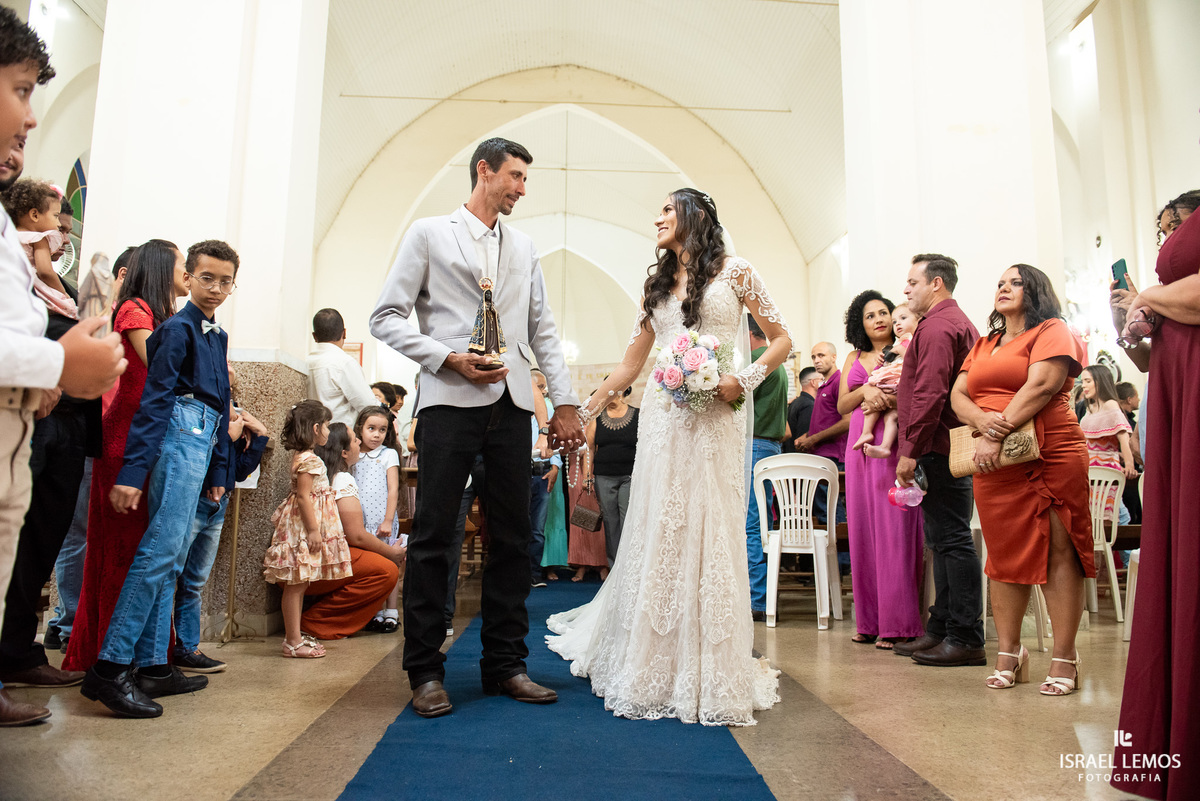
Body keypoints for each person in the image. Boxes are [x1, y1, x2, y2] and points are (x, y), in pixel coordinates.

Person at [547, 188, 789, 726]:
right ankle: (655, 654)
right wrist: (579, 413)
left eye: (666, 209)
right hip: (663, 417)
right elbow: (629, 367)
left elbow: (781, 340)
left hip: (716, 416)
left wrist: (741, 379)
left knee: (711, 525)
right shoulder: (655, 287)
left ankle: (710, 661)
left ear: (695, 216)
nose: (656, 217)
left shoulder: (738, 271)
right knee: (663, 523)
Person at [370, 137, 582, 718]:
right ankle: (425, 671)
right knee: (437, 534)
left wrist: (562, 404)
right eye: (514, 176)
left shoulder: (524, 246)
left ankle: (506, 664)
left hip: (512, 407)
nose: (520, 188)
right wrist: (445, 357)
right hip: (447, 402)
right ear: (483, 171)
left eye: (524, 180)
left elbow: (542, 330)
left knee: (515, 539)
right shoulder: (429, 234)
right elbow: (384, 318)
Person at [0, 9, 127, 725]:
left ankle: (13, 648)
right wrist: (57, 357)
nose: (31, 119)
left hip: (41, 430)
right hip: (28, 413)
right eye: (21, 92)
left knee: (34, 543)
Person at [80, 240, 240, 719]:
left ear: (235, 285)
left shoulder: (217, 336)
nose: (214, 288)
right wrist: (133, 471)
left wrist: (219, 469)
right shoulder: (175, 329)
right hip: (176, 437)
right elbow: (156, 400)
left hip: (203, 440)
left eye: (225, 281)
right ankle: (109, 670)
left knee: (172, 560)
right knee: (159, 553)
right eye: (206, 278)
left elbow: (220, 404)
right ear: (187, 278)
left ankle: (153, 666)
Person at [950, 264, 1093, 694]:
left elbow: (1042, 385)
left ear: (1036, 291)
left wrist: (997, 432)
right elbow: (958, 394)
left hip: (1048, 450)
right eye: (999, 283)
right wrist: (982, 423)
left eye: (1016, 282)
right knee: (1003, 554)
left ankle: (1065, 656)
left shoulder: (1052, 329)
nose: (1004, 289)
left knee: (1058, 550)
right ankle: (1011, 652)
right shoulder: (984, 342)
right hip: (993, 459)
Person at [1111, 192, 1200, 800]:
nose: (1167, 231)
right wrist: (1133, 333)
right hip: (1172, 385)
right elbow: (1149, 357)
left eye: (1174, 224)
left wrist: (1145, 295)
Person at [62, 241, 187, 674]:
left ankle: (146, 656)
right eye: (183, 265)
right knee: (123, 549)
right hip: (126, 441)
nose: (188, 272)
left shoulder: (164, 315)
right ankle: (109, 657)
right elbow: (161, 366)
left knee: (150, 550)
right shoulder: (135, 308)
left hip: (150, 436)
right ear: (160, 267)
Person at [891, 254, 985, 667]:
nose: (906, 289)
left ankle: (966, 637)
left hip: (939, 445)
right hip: (940, 443)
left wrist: (909, 450)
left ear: (937, 283)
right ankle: (941, 629)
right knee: (942, 540)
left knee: (952, 540)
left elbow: (930, 394)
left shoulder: (939, 327)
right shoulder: (944, 323)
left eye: (913, 282)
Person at [838, 290, 924, 649]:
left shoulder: (910, 347)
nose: (879, 319)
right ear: (861, 323)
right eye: (870, 315)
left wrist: (885, 396)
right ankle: (869, 620)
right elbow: (844, 405)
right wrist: (866, 393)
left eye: (884, 312)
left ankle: (899, 622)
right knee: (863, 531)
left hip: (895, 448)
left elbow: (921, 392)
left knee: (896, 529)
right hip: (860, 447)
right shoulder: (853, 358)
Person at [173, 377, 269, 674]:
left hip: (219, 504)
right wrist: (226, 436)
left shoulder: (235, 413)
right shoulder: (195, 408)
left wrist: (260, 435)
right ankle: (160, 650)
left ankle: (187, 648)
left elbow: (239, 470)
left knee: (194, 582)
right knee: (170, 576)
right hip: (195, 498)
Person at [263, 400, 352, 657]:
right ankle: (292, 641)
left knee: (299, 583)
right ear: (315, 428)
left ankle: (295, 637)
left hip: (302, 525)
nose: (328, 430)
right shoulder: (310, 460)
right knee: (296, 584)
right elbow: (304, 497)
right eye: (325, 425)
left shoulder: (304, 456)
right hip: (302, 528)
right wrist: (314, 532)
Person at [307, 423, 404, 639]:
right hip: (322, 562)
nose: (360, 442)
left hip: (303, 561)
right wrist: (392, 554)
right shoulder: (343, 479)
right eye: (354, 440)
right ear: (343, 452)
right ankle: (318, 621)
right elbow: (356, 535)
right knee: (387, 570)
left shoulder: (319, 473)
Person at [741, 314, 789, 621]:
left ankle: (757, 599)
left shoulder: (757, 362)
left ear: (749, 334)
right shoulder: (779, 365)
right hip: (771, 446)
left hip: (754, 445)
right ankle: (762, 594)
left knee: (751, 526)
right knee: (762, 524)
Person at [352, 406, 404, 633]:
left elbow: (393, 489)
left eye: (382, 430)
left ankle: (391, 612)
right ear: (359, 429)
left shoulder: (387, 454)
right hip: (359, 524)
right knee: (371, 568)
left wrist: (387, 519)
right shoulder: (353, 453)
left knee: (389, 564)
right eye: (371, 428)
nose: (376, 434)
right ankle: (373, 612)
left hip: (383, 521)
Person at [852, 303, 918, 458]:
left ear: (918, 320)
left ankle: (869, 433)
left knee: (873, 390)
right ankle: (881, 443)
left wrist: (897, 350)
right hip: (894, 378)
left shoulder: (911, 339)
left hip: (899, 379)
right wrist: (884, 357)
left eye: (903, 318)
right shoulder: (899, 340)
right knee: (890, 416)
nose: (898, 324)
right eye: (895, 321)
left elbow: (911, 358)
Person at [584, 383, 638, 569]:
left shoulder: (638, 414)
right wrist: (587, 475)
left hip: (630, 477)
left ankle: (630, 568)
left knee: (628, 521)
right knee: (610, 522)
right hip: (604, 476)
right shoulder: (597, 417)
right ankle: (615, 568)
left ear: (621, 392)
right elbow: (589, 448)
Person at [2, 177, 73, 318]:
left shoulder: (8, 236)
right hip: (37, 287)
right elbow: (45, 272)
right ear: (35, 215)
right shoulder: (39, 239)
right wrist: (63, 294)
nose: (58, 224)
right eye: (56, 216)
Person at [797, 341, 849, 529]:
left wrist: (813, 439)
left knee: (832, 508)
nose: (817, 360)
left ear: (834, 357)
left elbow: (847, 421)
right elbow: (824, 421)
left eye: (821, 355)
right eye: (813, 357)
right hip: (820, 456)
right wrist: (806, 436)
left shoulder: (839, 382)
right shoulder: (823, 384)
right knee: (823, 511)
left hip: (833, 456)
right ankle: (829, 557)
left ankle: (841, 559)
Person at [1078, 365, 1136, 524]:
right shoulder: (1090, 407)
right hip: (1091, 469)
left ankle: (1123, 549)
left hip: (1106, 470)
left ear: (1100, 381)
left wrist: (1130, 465)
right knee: (1100, 514)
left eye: (1088, 381)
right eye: (1083, 381)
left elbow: (1123, 437)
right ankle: (1123, 549)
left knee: (1108, 516)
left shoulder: (1110, 404)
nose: (1083, 385)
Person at [307, 307, 377, 428]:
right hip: (339, 436)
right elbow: (368, 406)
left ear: (314, 336)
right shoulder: (344, 363)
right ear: (344, 333)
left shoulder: (307, 362)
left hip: (313, 434)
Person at [534, 371, 568, 581]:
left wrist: (555, 467)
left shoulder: (549, 409)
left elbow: (556, 441)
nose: (543, 391)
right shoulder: (519, 407)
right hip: (521, 469)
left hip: (545, 469)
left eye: (543, 387)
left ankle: (544, 567)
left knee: (544, 522)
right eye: (539, 387)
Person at [1115, 381, 1142, 523]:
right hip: (1126, 476)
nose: (1139, 400)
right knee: (1129, 517)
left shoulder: (1131, 422)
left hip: (1126, 474)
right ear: (1129, 399)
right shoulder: (1123, 422)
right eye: (1136, 396)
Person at [782, 366, 818, 454]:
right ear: (813, 382)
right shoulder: (809, 405)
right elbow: (803, 442)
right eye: (822, 379)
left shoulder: (795, 403)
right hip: (800, 460)